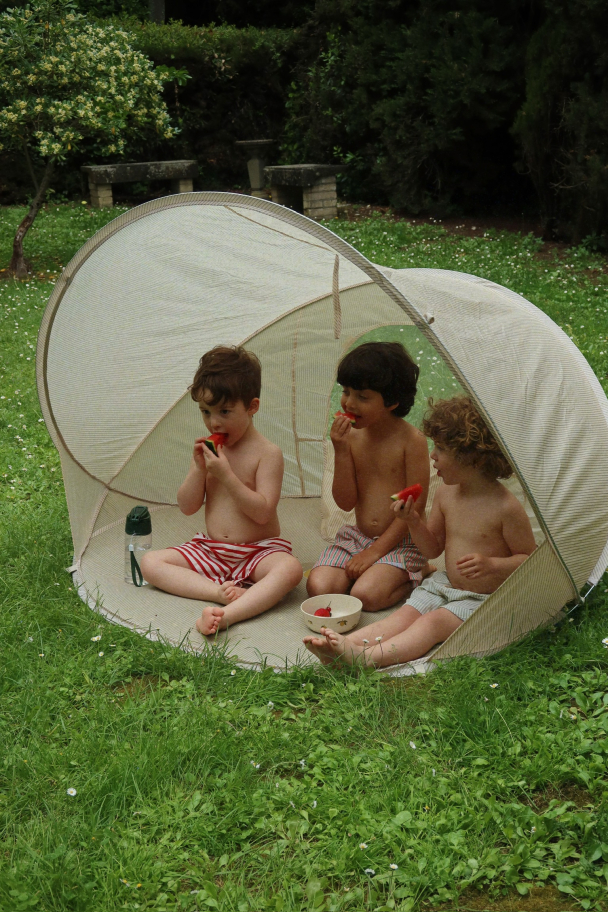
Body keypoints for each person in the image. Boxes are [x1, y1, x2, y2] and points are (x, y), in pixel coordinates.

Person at [304, 395, 537, 667]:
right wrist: (414, 521)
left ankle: (367, 661)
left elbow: (529, 560)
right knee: (403, 617)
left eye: (440, 448)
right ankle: (348, 646)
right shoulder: (447, 494)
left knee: (431, 624)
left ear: (472, 457)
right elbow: (433, 549)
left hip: (483, 599)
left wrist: (493, 565)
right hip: (444, 584)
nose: (432, 455)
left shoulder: (506, 508)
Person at [141, 345, 303, 636]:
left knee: (290, 570)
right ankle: (219, 593)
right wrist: (199, 469)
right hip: (213, 550)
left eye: (225, 412)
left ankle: (226, 615)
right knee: (150, 563)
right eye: (206, 412)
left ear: (252, 407)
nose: (214, 422)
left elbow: (263, 513)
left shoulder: (268, 453)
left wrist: (227, 476)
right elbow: (188, 506)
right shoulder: (210, 452)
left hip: (258, 551)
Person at [306, 341, 431, 612]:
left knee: (367, 597)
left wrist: (375, 553)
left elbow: (415, 506)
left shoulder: (412, 441)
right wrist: (340, 450)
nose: (349, 402)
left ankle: (417, 573)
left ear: (392, 401)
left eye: (362, 397)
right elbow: (345, 502)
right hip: (357, 537)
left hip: (400, 541)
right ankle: (372, 573)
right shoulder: (351, 437)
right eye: (346, 391)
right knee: (318, 589)